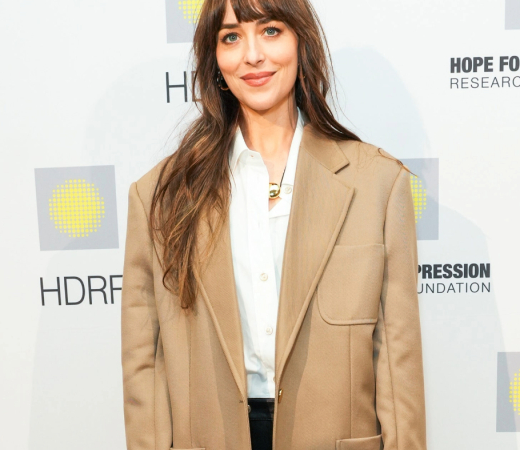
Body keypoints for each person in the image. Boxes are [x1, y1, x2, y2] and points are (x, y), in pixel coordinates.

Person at [121, 0, 426, 449]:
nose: (252, 55)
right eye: (231, 37)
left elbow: (397, 361)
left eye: (270, 31)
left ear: (301, 41)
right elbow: (144, 365)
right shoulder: (161, 196)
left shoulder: (377, 183)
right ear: (214, 60)